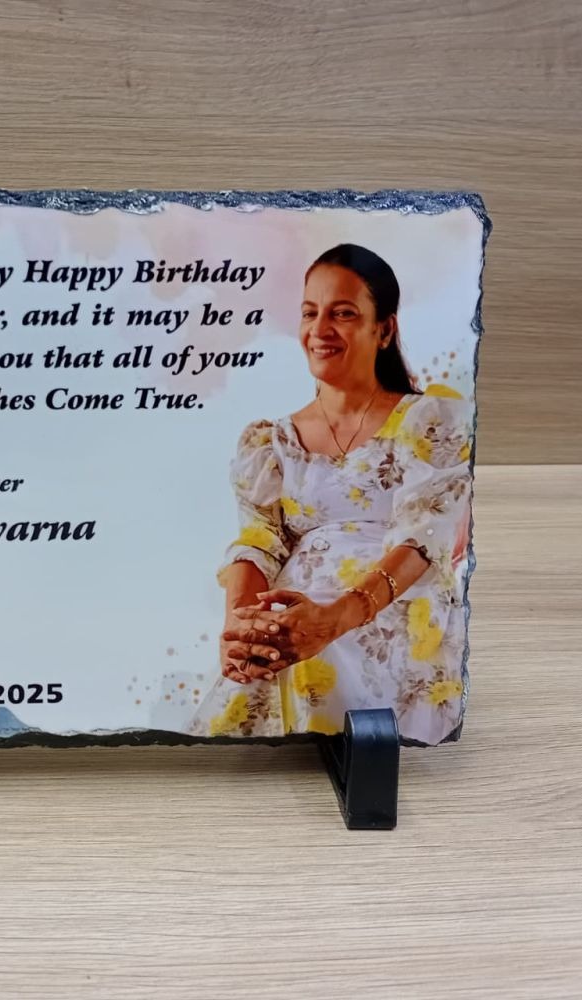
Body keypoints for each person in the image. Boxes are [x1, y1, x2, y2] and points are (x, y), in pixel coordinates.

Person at [193, 244, 473, 745]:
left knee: (323, 665)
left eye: (342, 313)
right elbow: (258, 540)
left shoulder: (430, 419)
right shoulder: (270, 441)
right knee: (259, 675)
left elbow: (423, 538)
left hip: (391, 603)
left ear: (383, 330)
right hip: (296, 617)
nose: (320, 329)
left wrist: (335, 618)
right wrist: (241, 627)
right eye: (310, 312)